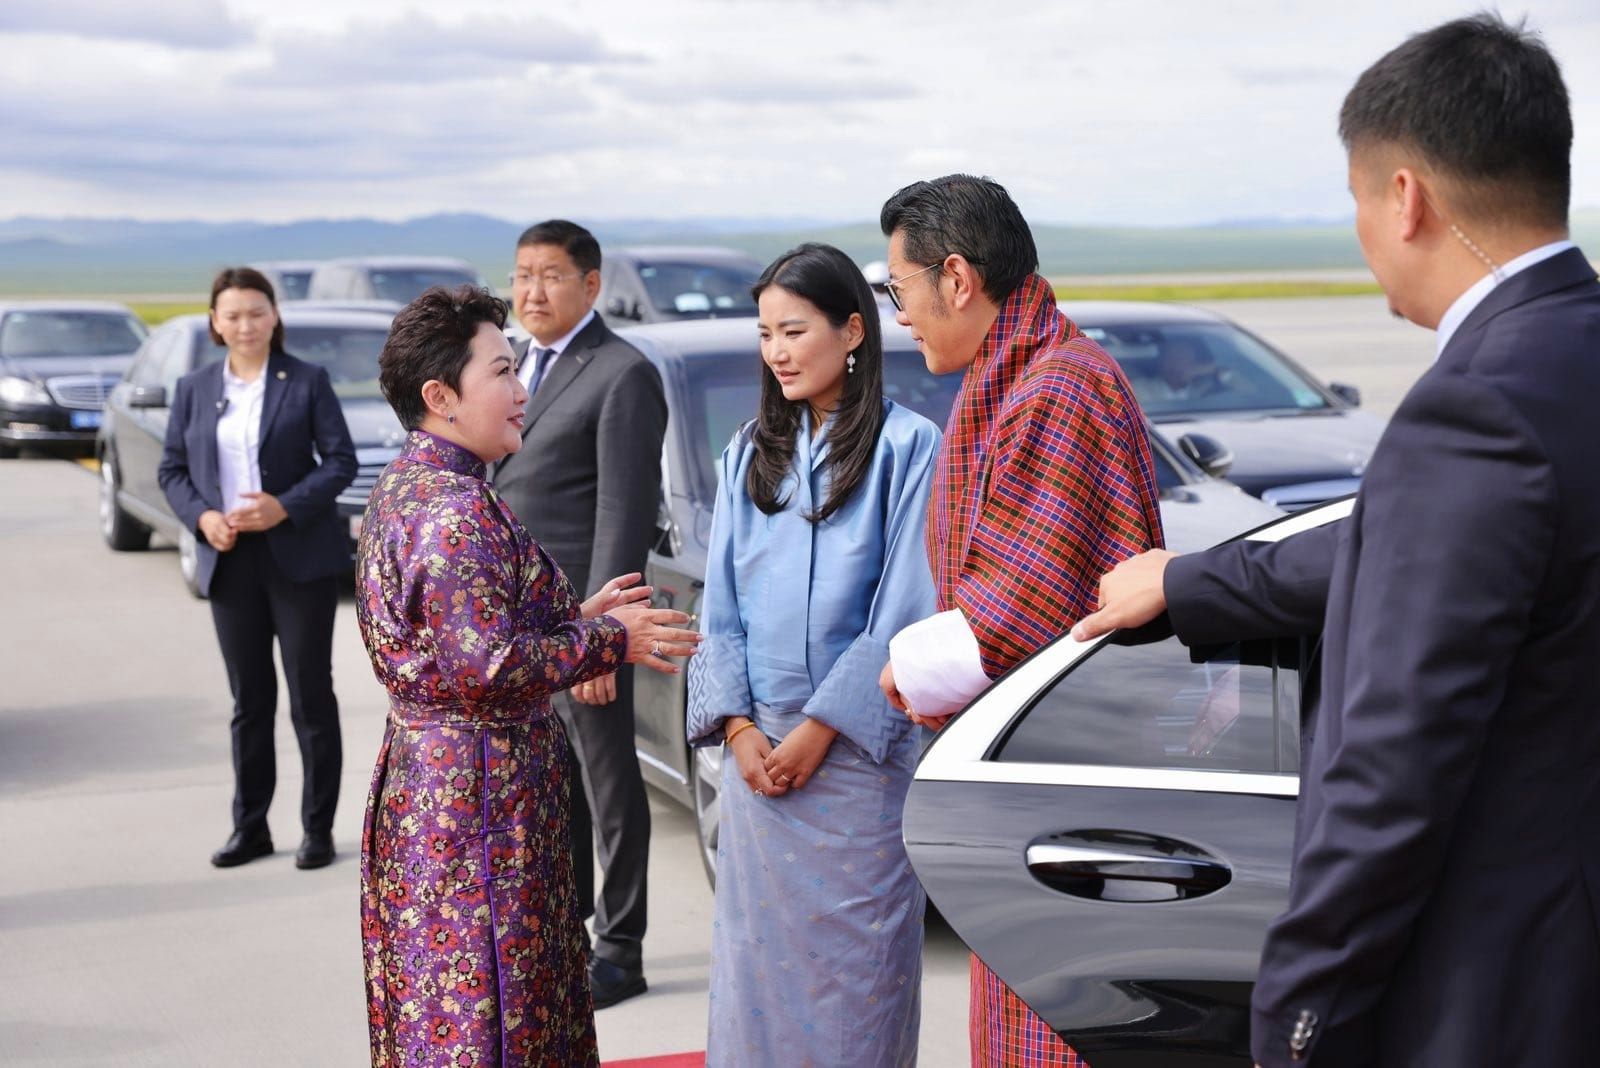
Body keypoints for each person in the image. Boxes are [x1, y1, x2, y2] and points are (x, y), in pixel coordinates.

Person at [1072, 15, 1600, 1066]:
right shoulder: (1564, 361)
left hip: (1500, 991)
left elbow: (1395, 761)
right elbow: (1438, 546)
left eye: (1355, 198)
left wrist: (1301, 1013)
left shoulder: (1475, 407)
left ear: (1404, 198)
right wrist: (1193, 580)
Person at [354, 285, 700, 1065]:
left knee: (453, 996)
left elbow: (466, 636)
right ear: (440, 397)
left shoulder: (415, 484)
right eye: (502, 372)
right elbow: (484, 665)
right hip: (478, 802)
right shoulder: (455, 511)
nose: (521, 391)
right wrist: (605, 640)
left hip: (445, 785)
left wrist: (576, 619)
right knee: (491, 1007)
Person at [875, 175, 1165, 1067]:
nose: (900, 315)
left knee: (1053, 1023)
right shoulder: (1029, 372)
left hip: (1072, 770)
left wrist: (903, 671)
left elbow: (1016, 611)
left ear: (957, 278)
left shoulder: (1054, 390)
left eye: (898, 289)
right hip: (1051, 765)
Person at [687, 243, 940, 1066]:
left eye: (794, 331)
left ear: (853, 331)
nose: (778, 352)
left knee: (858, 981)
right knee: (756, 971)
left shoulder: (910, 448)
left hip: (858, 763)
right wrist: (737, 730)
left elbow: (905, 610)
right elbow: (720, 606)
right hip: (758, 762)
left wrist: (820, 729)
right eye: (766, 334)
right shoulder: (746, 452)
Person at [491, 219, 668, 1008]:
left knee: (608, 786)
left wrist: (601, 640)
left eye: (550, 275)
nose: (532, 290)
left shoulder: (622, 372)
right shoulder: (509, 363)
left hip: (583, 618)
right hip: (520, 626)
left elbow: (623, 514)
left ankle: (621, 950)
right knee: (549, 785)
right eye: (522, 274)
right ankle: (566, 931)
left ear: (591, 284)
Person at [158, 266, 356, 870]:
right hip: (230, 560)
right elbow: (172, 470)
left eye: (256, 312)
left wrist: (283, 506)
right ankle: (251, 829)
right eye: (232, 315)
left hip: (298, 559)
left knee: (309, 696)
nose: (245, 325)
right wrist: (202, 518)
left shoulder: (307, 380)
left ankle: (317, 829)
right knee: (249, 701)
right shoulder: (194, 387)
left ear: (274, 316)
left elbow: (340, 461)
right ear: (215, 323)